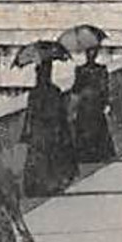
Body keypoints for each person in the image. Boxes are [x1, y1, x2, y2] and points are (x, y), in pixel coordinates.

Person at [21, 56, 77, 198]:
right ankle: (48, 185)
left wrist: (26, 131)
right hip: (49, 129)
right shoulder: (52, 91)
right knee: (48, 158)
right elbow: (60, 113)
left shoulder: (36, 93)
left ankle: (39, 186)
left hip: (41, 130)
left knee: (41, 159)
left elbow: (30, 113)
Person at [70, 46, 116, 164]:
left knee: (96, 128)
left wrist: (106, 102)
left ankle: (97, 154)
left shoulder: (100, 69)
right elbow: (76, 88)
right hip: (85, 104)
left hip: (95, 103)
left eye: (93, 52)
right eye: (89, 52)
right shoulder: (80, 70)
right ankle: (87, 155)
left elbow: (105, 87)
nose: (91, 55)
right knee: (87, 129)